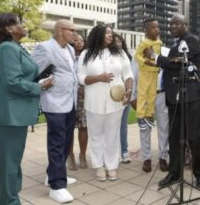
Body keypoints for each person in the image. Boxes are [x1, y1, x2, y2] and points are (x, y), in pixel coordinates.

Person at [0, 13, 53, 205]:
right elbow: (12, 82)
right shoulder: (7, 48)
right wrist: (40, 86)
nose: (23, 25)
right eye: (19, 22)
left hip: (15, 115)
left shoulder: (14, 47)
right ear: (8, 28)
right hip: (9, 116)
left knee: (12, 163)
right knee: (9, 165)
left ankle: (10, 200)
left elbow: (19, 77)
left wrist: (38, 81)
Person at [143, 14, 200, 189]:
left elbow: (178, 62)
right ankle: (174, 174)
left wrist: (155, 58)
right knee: (174, 138)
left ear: (185, 24)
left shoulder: (191, 40)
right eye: (170, 24)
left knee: (194, 138)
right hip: (175, 99)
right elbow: (172, 63)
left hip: (191, 97)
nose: (171, 26)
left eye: (176, 23)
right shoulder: (176, 43)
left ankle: (199, 175)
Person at [77, 25, 133, 182]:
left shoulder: (120, 53)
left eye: (111, 33)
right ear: (98, 35)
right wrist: (98, 78)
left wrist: (128, 89)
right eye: (107, 33)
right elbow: (81, 78)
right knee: (95, 135)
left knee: (112, 134)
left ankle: (111, 166)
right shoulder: (86, 54)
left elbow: (128, 74)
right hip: (94, 102)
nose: (111, 35)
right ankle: (99, 166)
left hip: (116, 102)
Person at [32, 19, 79, 203]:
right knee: (57, 143)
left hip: (70, 101)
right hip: (54, 101)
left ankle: (53, 174)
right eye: (73, 30)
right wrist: (42, 84)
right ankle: (57, 186)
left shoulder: (69, 48)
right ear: (61, 30)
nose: (76, 34)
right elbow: (33, 72)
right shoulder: (45, 48)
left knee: (66, 141)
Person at [129, 47, 169, 173]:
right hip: (144, 95)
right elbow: (133, 76)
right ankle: (146, 158)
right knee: (145, 128)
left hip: (162, 95)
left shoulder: (166, 51)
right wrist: (133, 97)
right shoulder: (139, 53)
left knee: (164, 127)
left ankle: (163, 157)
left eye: (157, 29)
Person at [135, 18, 162, 130]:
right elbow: (137, 55)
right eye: (153, 27)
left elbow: (159, 57)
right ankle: (140, 116)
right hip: (145, 72)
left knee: (152, 95)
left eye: (158, 27)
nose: (157, 29)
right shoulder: (144, 43)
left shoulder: (159, 42)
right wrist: (145, 62)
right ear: (146, 30)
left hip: (154, 73)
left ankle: (149, 115)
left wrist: (158, 66)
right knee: (142, 94)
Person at [67, 33, 88, 170]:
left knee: (84, 126)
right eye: (76, 40)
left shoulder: (87, 56)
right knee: (69, 128)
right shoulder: (66, 55)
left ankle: (83, 155)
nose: (79, 42)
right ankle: (70, 156)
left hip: (84, 96)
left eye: (81, 40)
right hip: (68, 96)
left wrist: (83, 86)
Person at [114, 33, 132, 163]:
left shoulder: (125, 56)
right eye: (114, 41)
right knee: (112, 126)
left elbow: (129, 76)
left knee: (123, 125)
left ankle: (124, 151)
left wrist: (129, 91)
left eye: (119, 41)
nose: (117, 43)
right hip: (112, 95)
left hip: (125, 95)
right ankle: (113, 153)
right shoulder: (107, 57)